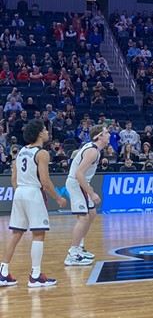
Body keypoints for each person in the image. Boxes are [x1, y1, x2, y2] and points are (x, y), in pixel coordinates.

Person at [0, 119, 67, 287]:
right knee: (38, 234)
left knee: (16, 233)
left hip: (20, 192)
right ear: (39, 133)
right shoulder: (42, 153)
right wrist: (58, 198)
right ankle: (35, 275)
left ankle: (3, 272)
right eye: (45, 129)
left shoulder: (20, 151)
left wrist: (20, 193)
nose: (47, 132)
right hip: (32, 192)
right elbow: (45, 181)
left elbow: (13, 179)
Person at [64, 124, 109, 266]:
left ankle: (80, 246)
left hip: (81, 183)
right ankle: (73, 253)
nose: (109, 135)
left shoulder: (94, 149)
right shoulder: (93, 151)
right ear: (100, 136)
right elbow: (78, 174)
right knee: (83, 218)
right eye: (106, 132)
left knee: (92, 213)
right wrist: (92, 192)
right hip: (77, 183)